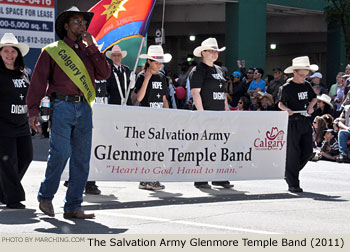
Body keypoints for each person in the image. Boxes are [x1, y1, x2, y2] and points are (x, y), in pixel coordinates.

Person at [26, 7, 111, 219]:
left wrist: (92, 47)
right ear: (66, 25)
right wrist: (33, 110)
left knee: (82, 159)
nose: (82, 25)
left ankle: (73, 205)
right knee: (60, 153)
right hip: (62, 106)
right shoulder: (52, 50)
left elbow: (104, 73)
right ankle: (45, 196)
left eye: (83, 22)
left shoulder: (88, 50)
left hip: (84, 106)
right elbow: (38, 82)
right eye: (76, 21)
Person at [190, 37, 232, 189]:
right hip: (205, 114)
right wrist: (202, 114)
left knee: (219, 145)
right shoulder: (198, 70)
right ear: (203, 53)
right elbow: (195, 93)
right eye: (212, 51)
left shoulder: (219, 70)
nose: (215, 54)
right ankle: (201, 177)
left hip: (219, 114)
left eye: (216, 51)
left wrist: (226, 109)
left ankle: (219, 176)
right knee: (203, 146)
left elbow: (222, 92)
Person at [132, 45, 171, 190]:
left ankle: (153, 177)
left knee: (157, 148)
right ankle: (145, 178)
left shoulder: (162, 77)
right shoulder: (142, 76)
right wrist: (147, 78)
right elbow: (139, 98)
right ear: (149, 61)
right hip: (146, 117)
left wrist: (168, 115)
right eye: (156, 61)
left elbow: (164, 99)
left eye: (160, 62)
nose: (159, 65)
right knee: (147, 148)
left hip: (159, 117)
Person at [0, 33, 32, 209]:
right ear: (0, 53)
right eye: (6, 50)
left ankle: (3, 190)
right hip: (3, 125)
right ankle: (13, 198)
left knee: (27, 157)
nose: (9, 54)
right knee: (7, 161)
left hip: (22, 124)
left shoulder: (24, 74)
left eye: (13, 51)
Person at [278, 56, 318, 193]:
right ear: (294, 72)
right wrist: (287, 110)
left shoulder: (307, 85)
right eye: (302, 75)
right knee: (293, 153)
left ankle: (289, 173)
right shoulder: (286, 88)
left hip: (305, 121)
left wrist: (311, 106)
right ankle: (293, 182)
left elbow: (314, 97)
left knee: (308, 151)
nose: (304, 78)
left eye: (306, 75)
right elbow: (280, 103)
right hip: (293, 122)